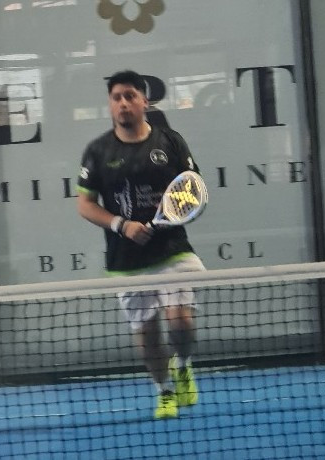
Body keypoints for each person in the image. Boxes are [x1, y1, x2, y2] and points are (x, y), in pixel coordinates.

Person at [76, 70, 206, 419]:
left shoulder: (170, 142)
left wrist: (175, 207)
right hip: (126, 260)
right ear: (110, 104)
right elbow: (85, 204)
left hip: (172, 249)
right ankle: (164, 392)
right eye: (116, 97)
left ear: (144, 101)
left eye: (130, 96)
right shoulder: (97, 151)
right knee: (148, 336)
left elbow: (192, 187)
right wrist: (122, 225)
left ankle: (183, 366)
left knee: (180, 322)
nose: (123, 103)